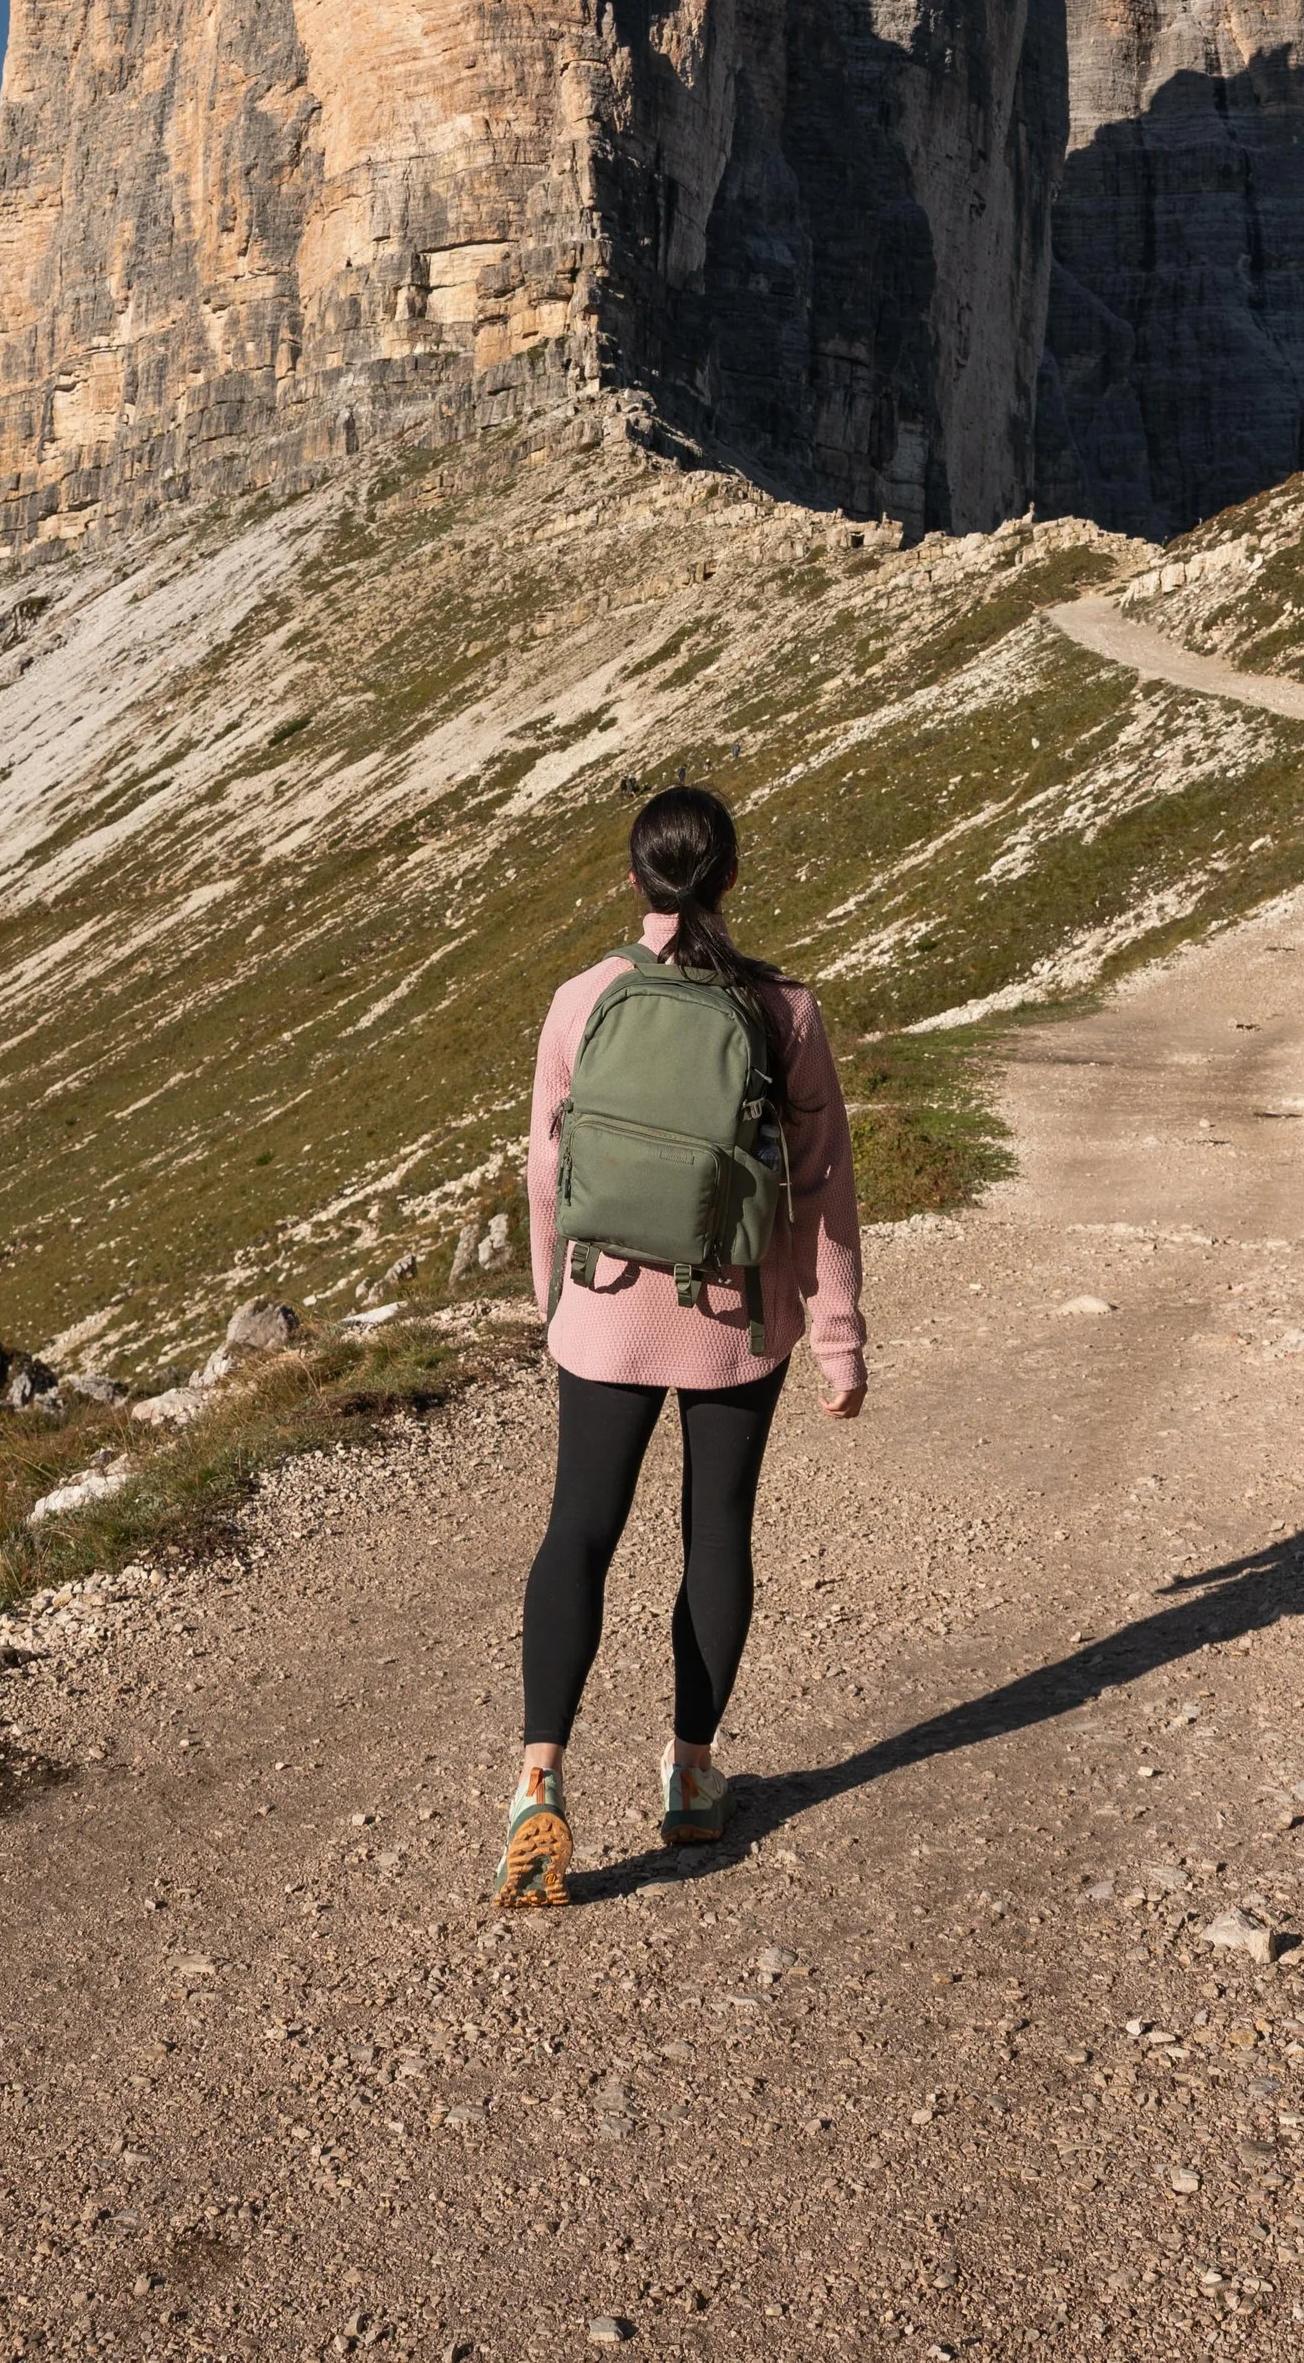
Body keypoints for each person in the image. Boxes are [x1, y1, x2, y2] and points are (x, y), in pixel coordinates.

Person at [496, 782, 865, 1907]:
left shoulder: (582, 998)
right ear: (732, 879)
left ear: (633, 880)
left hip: (601, 1306)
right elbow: (822, 1190)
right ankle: (692, 1776)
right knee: (716, 1534)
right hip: (734, 1322)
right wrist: (839, 1340)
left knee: (579, 1536)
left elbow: (547, 1168)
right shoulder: (782, 1009)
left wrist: (553, 1300)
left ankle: (536, 1782)